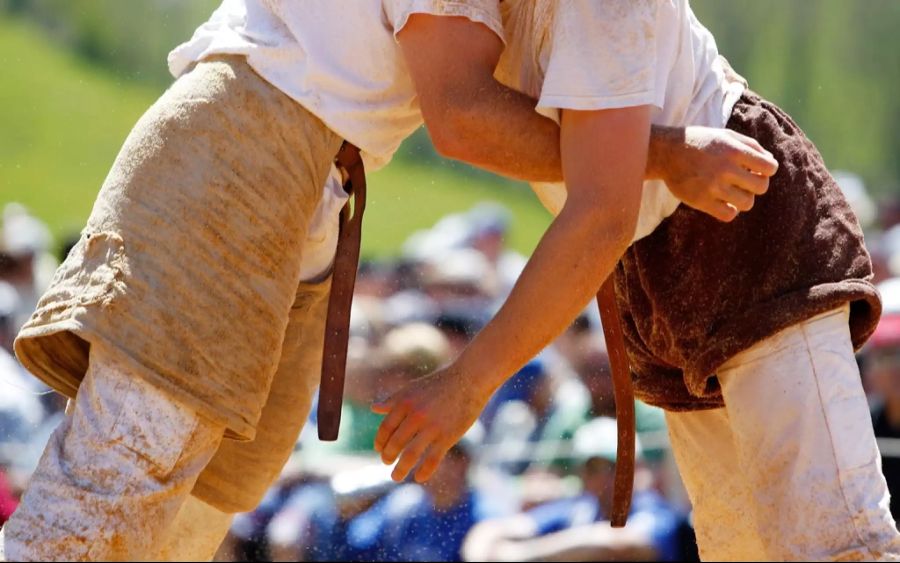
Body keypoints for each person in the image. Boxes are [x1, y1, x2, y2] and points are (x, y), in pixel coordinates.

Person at [2, 1, 778, 560]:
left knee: (190, 518)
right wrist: (662, 151)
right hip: (246, 141)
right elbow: (462, 113)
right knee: (107, 495)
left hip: (306, 177)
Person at [373, 1, 900, 560]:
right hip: (648, 253)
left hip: (736, 220)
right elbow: (460, 113)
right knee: (740, 550)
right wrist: (664, 153)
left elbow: (602, 210)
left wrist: (467, 384)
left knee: (837, 544)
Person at [462, 418, 688, 562]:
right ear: (582, 474)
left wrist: (526, 555)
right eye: (594, 468)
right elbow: (494, 529)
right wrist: (480, 552)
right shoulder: (579, 508)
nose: (605, 477)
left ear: (636, 468)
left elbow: (620, 543)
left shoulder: (654, 508)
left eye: (614, 466)